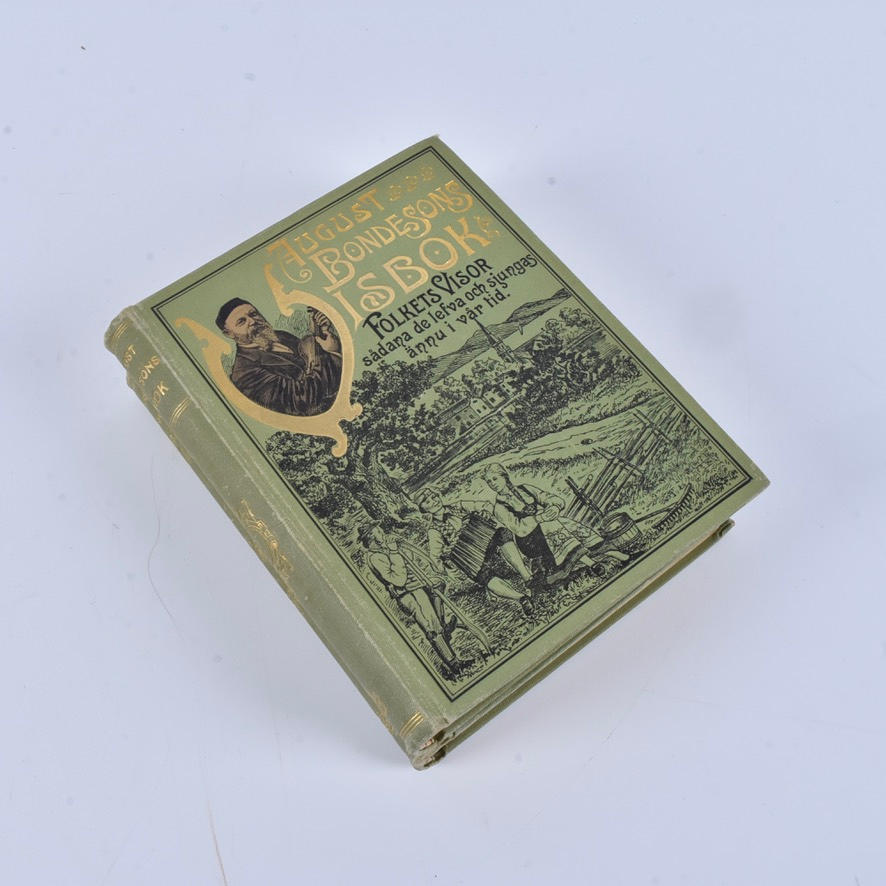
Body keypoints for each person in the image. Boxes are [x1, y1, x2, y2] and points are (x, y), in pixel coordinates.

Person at [481, 464, 628, 587]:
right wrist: (540, 517)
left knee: (563, 523)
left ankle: (613, 557)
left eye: (494, 478)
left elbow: (547, 497)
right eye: (489, 482)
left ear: (504, 476)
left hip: (547, 527)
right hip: (530, 541)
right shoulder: (499, 508)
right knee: (552, 525)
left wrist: (554, 507)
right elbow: (519, 529)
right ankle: (595, 562)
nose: (492, 483)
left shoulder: (525, 488)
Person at [360, 524, 468, 679]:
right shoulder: (375, 557)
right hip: (407, 593)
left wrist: (401, 548)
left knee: (438, 584)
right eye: (377, 530)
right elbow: (399, 580)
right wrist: (394, 552)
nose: (382, 531)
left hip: (416, 586)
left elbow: (410, 554)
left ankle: (443, 627)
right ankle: (455, 665)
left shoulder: (383, 548)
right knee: (431, 626)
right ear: (370, 537)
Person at [417, 488, 535, 617]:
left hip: (486, 540)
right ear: (424, 509)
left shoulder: (458, 505)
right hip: (471, 558)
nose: (433, 501)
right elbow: (435, 557)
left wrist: (485, 512)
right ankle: (521, 598)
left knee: (502, 533)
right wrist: (448, 570)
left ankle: (527, 577)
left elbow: (484, 505)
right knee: (483, 576)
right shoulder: (434, 531)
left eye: (433, 497)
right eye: (427, 502)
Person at [215, 298, 341, 416]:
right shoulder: (244, 374)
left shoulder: (280, 336)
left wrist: (320, 334)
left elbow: (311, 362)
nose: (252, 321)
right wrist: (333, 352)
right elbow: (304, 399)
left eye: (253, 314)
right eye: (242, 321)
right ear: (229, 334)